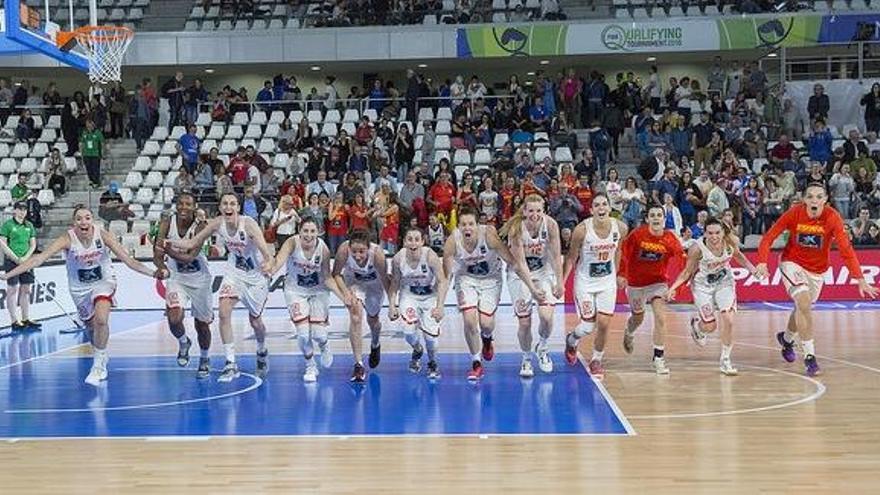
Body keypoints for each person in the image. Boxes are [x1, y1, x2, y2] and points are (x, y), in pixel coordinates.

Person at [1, 206, 164, 385]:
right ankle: (100, 353)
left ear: (92, 220)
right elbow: (39, 259)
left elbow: (129, 261)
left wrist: (152, 273)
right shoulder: (66, 239)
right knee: (91, 327)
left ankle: (99, 364)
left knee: (101, 320)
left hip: (104, 282)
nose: (83, 222)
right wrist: (8, 275)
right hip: (79, 288)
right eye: (79, 219)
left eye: (87, 218)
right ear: (74, 223)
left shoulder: (103, 235)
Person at [756, 183, 879, 376]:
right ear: (804, 199)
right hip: (792, 263)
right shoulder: (794, 213)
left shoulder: (832, 217)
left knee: (802, 307)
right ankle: (810, 357)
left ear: (825, 200)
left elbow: (846, 250)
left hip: (817, 271)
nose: (814, 200)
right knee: (803, 303)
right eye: (810, 196)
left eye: (819, 196)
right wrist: (762, 262)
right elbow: (768, 237)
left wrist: (860, 278)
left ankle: (787, 339)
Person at [167, 193, 275, 382]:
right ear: (220, 207)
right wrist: (168, 243)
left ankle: (261, 349)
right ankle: (230, 363)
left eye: (232, 203)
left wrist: (268, 263)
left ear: (238, 208)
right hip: (234, 273)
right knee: (224, 312)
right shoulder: (218, 223)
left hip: (255, 277)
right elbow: (192, 243)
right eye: (225, 203)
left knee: (256, 322)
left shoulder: (248, 224)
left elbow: (267, 253)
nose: (228, 207)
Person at [442, 206, 545, 381]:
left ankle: (487, 339)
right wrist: (439, 305)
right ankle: (476, 363)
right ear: (458, 227)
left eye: (471, 224)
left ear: (477, 225)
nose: (467, 228)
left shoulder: (489, 236)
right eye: (463, 225)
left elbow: (513, 262)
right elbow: (446, 276)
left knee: (486, 323)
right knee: (469, 319)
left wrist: (532, 288)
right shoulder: (453, 241)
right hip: (466, 279)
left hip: (491, 279)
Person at [666, 218, 757, 376]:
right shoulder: (697, 249)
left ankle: (725, 359)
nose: (714, 237)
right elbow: (687, 272)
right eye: (710, 233)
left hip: (724, 283)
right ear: (704, 233)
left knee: (728, 319)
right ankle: (697, 326)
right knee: (710, 326)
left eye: (717, 233)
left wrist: (754, 270)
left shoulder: (730, 242)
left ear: (722, 232)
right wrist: (673, 287)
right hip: (703, 287)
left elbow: (740, 257)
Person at [270, 217, 347, 383]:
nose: (309, 234)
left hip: (318, 291)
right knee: (303, 335)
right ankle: (310, 364)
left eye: (312, 231)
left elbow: (327, 277)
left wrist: (343, 298)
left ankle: (324, 345)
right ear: (299, 231)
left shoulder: (323, 249)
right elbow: (278, 261)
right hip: (295, 291)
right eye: (305, 230)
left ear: (319, 232)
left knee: (319, 335)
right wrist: (270, 269)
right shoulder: (292, 243)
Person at [561, 194, 628, 379]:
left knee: (604, 324)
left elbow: (619, 249)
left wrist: (616, 274)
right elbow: (571, 257)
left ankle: (596, 359)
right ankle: (572, 339)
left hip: (607, 282)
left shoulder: (621, 228)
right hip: (585, 283)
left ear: (609, 207)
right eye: (597, 205)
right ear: (591, 210)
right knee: (588, 327)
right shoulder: (581, 230)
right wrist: (562, 281)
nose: (601, 208)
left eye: (604, 204)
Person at [499, 194, 564, 378]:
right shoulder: (516, 229)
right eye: (531, 211)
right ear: (524, 211)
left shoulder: (550, 225)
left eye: (538, 211)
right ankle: (526, 358)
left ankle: (542, 346)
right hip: (519, 276)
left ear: (544, 211)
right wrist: (533, 290)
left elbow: (555, 254)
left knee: (546, 316)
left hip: (543, 271)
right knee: (525, 322)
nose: (535, 214)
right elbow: (520, 264)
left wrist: (560, 282)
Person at [618, 205, 685, 375]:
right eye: (652, 215)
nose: (656, 218)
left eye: (659, 215)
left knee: (661, 318)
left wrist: (678, 287)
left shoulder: (670, 238)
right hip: (636, 283)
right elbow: (624, 253)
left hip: (658, 283)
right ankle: (629, 332)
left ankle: (658, 358)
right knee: (638, 317)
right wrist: (622, 274)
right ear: (647, 219)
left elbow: (682, 260)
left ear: (664, 219)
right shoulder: (637, 235)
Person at [152, 193, 214, 379]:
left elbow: (190, 256)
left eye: (188, 204)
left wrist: (169, 250)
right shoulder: (166, 223)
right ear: (176, 205)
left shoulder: (201, 226)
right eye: (180, 203)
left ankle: (204, 358)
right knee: (174, 318)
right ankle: (183, 342)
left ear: (195, 207)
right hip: (177, 278)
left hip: (200, 280)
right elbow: (157, 252)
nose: (184, 207)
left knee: (202, 325)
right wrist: (162, 267)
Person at [388, 227, 449, 379]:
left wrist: (440, 306)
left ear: (423, 241)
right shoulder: (398, 258)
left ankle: (432, 362)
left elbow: (442, 281)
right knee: (408, 332)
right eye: (410, 239)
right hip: (409, 294)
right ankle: (417, 349)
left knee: (431, 340)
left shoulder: (430, 256)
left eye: (417, 239)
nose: (413, 243)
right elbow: (394, 283)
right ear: (404, 242)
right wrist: (391, 305)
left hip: (429, 295)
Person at [332, 230, 391, 383]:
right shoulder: (343, 250)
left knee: (374, 321)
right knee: (356, 316)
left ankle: (375, 343)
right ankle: (358, 364)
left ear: (368, 248)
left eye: (362, 251)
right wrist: (345, 293)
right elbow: (336, 274)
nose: (357, 256)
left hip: (374, 286)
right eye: (354, 252)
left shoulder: (377, 254)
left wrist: (392, 304)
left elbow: (385, 279)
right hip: (354, 283)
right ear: (349, 248)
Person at [0, 202, 39, 331]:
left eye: (24, 209)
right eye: (20, 209)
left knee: (26, 289)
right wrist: (16, 259)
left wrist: (26, 258)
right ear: (15, 210)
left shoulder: (29, 225)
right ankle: (14, 321)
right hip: (12, 261)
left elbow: (33, 244)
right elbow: (3, 245)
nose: (22, 212)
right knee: (12, 290)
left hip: (26, 261)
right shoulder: (7, 225)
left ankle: (25, 318)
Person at [79, 119, 105, 189]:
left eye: (90, 125)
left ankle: (96, 182)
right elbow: (82, 144)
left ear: (93, 125)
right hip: (86, 154)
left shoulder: (97, 133)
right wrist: (81, 153)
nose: (89, 127)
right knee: (89, 169)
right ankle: (91, 181)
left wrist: (102, 152)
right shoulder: (84, 133)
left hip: (95, 154)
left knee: (95, 169)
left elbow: (102, 143)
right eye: (88, 126)